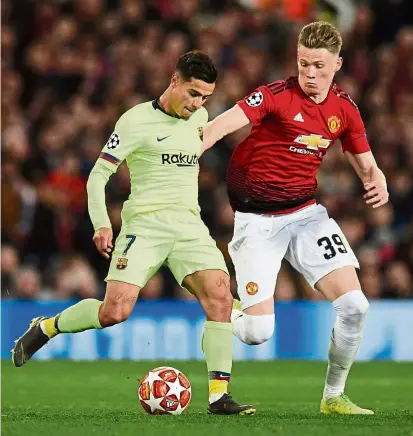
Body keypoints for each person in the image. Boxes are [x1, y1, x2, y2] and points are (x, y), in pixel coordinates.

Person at [11, 50, 255, 416]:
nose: (197, 104)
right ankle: (47, 326)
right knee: (114, 312)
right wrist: (102, 223)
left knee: (220, 298)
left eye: (205, 97)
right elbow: (97, 176)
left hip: (190, 226)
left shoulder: (201, 117)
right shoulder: (135, 120)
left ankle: (219, 397)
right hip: (145, 226)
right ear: (174, 81)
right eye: (192, 93)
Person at [202, 22, 389, 415]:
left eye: (319, 66)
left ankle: (333, 397)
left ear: (337, 64)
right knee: (256, 333)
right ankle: (222, 307)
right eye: (303, 64)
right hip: (256, 221)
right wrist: (185, 153)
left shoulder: (345, 110)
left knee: (355, 305)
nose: (309, 74)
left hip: (305, 215)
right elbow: (220, 126)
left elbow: (366, 163)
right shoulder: (275, 95)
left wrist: (378, 181)